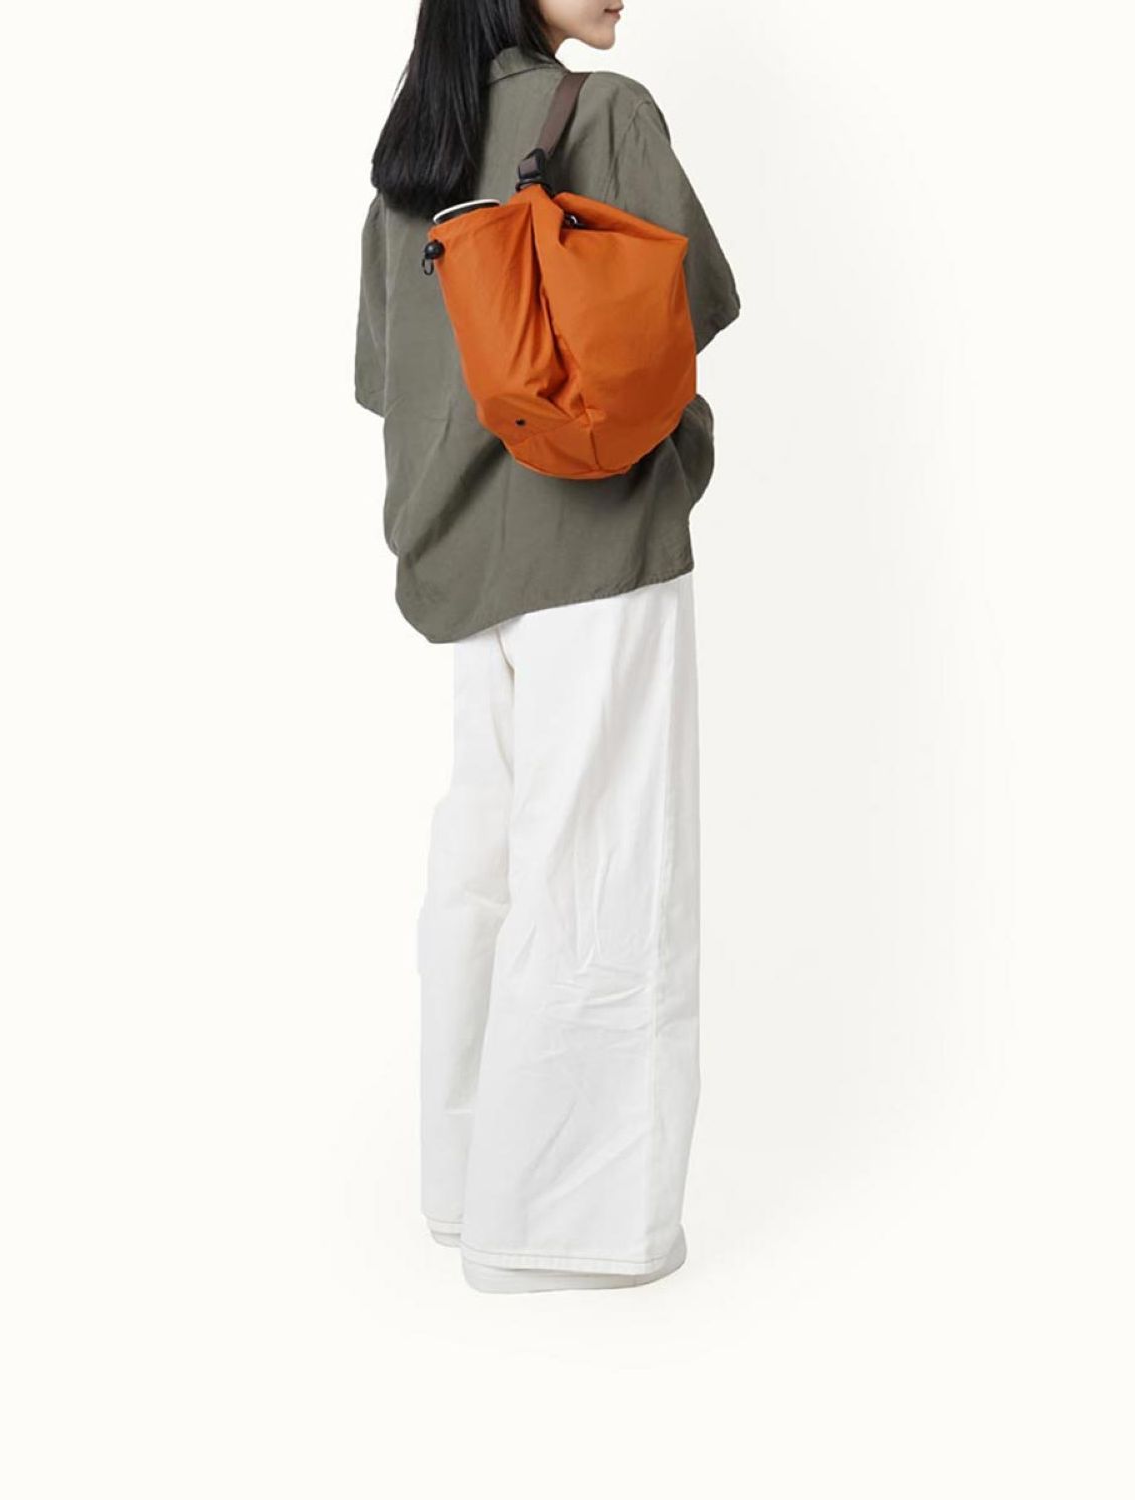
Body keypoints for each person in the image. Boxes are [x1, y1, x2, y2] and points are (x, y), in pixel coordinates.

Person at [355, 0, 740, 1293]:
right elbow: (678, 329)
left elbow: (391, 384)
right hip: (598, 553)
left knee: (485, 866)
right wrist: (679, 456)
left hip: (463, 565)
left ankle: (465, 1184)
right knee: (605, 873)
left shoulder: (408, 161)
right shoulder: (607, 119)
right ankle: (565, 1230)